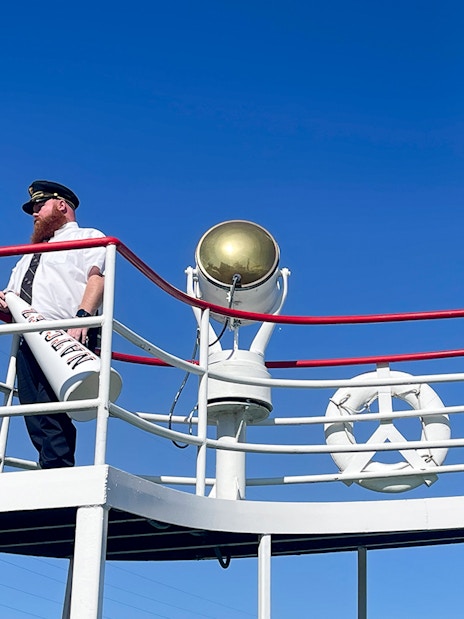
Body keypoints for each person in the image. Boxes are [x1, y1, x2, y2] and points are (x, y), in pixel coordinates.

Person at [0, 180, 106, 469]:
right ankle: (50, 468)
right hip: (28, 336)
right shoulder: (28, 254)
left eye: (39, 206)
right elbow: (12, 299)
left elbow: (97, 278)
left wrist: (84, 317)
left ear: (61, 205)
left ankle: (58, 470)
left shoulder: (88, 236)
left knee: (53, 410)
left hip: (64, 332)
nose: (34, 213)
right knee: (35, 410)